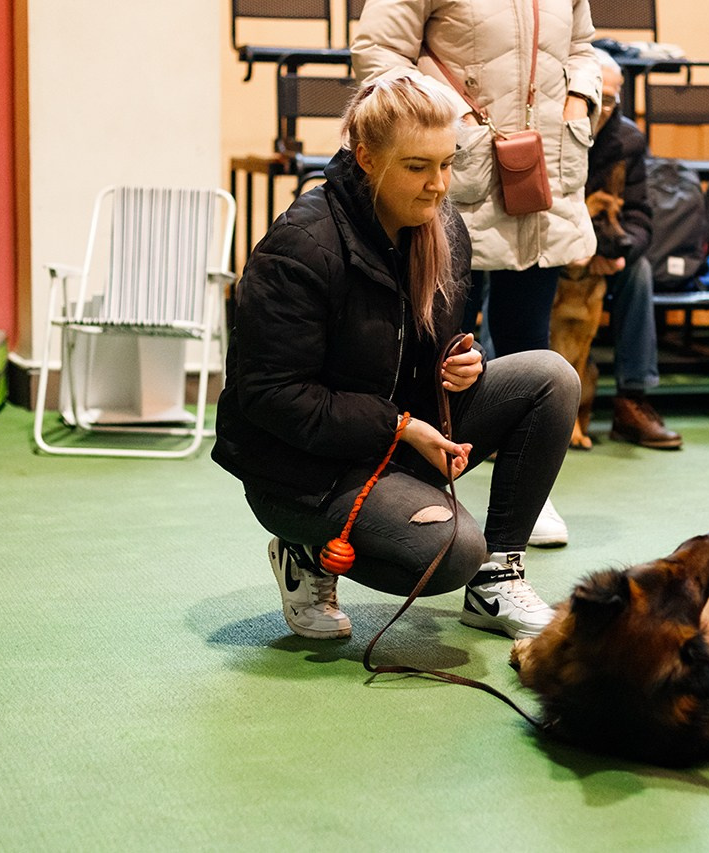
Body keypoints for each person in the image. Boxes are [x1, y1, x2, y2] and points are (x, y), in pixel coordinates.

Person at [212, 77, 579, 642]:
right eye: (416, 167)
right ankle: (305, 552)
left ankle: (496, 581)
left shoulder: (445, 227)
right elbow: (270, 397)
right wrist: (401, 426)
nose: (437, 186)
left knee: (551, 378)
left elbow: (424, 346)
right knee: (450, 552)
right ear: (366, 158)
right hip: (302, 472)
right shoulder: (301, 246)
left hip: (395, 439)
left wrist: (460, 364)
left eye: (447, 164)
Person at [351, 0, 602, 544]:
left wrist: (580, 101)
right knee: (434, 341)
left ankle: (528, 490)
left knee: (531, 338)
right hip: (449, 172)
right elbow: (379, 53)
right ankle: (415, 480)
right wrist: (451, 118)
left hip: (544, 174)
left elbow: (581, 47)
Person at [584, 50, 682, 450]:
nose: (606, 108)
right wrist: (579, 247)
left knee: (638, 272)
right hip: (552, 245)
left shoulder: (628, 139)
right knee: (506, 271)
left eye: (613, 99)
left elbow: (640, 216)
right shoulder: (548, 128)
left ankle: (631, 399)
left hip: (606, 245)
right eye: (599, 98)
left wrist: (619, 252)